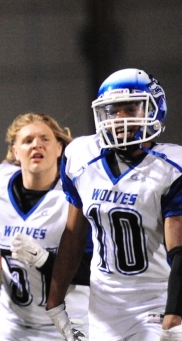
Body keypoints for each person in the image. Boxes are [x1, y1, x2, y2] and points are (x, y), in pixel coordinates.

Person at [45, 68, 182, 341]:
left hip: (155, 302)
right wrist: (55, 301)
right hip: (103, 306)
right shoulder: (80, 157)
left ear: (153, 110)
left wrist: (174, 313)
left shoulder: (170, 167)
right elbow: (73, 236)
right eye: (113, 111)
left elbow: (179, 251)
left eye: (130, 109)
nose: (120, 119)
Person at [0, 113, 91, 340]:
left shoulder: (77, 195)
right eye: (27, 140)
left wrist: (44, 260)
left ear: (60, 149)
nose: (36, 144)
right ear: (15, 152)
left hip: (67, 322)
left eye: (45, 139)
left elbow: (94, 272)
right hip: (12, 324)